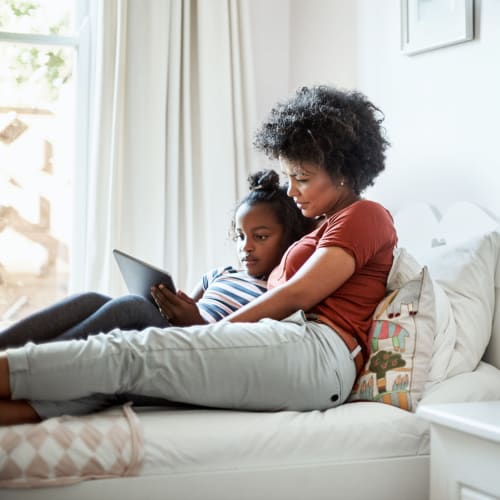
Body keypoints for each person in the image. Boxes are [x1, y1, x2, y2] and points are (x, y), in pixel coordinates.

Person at [0, 85, 398, 426]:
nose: (292, 190)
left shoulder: (366, 215)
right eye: (290, 176)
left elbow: (298, 295)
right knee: (117, 382)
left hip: (319, 353)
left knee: (128, 353)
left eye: (303, 178)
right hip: (290, 344)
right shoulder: (321, 228)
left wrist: (211, 331)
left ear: (343, 171)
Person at [0, 169, 313, 348]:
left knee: (132, 307)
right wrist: (168, 303)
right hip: (170, 334)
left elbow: (248, 343)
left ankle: (34, 360)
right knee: (91, 298)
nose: (246, 247)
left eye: (260, 237)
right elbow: (182, 309)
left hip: (199, 348)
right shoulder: (221, 275)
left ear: (290, 239)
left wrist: (198, 323)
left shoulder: (274, 294)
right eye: (240, 236)